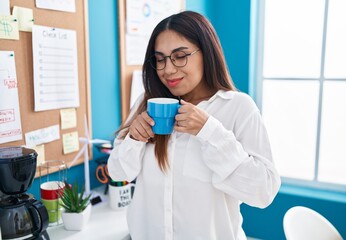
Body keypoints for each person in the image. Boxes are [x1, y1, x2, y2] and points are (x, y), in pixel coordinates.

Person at [108, 10, 281, 240]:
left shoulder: (238, 107)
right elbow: (118, 172)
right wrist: (134, 138)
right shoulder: (146, 104)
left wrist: (209, 131)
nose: (167, 69)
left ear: (206, 52)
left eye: (180, 56)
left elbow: (263, 191)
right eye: (160, 59)